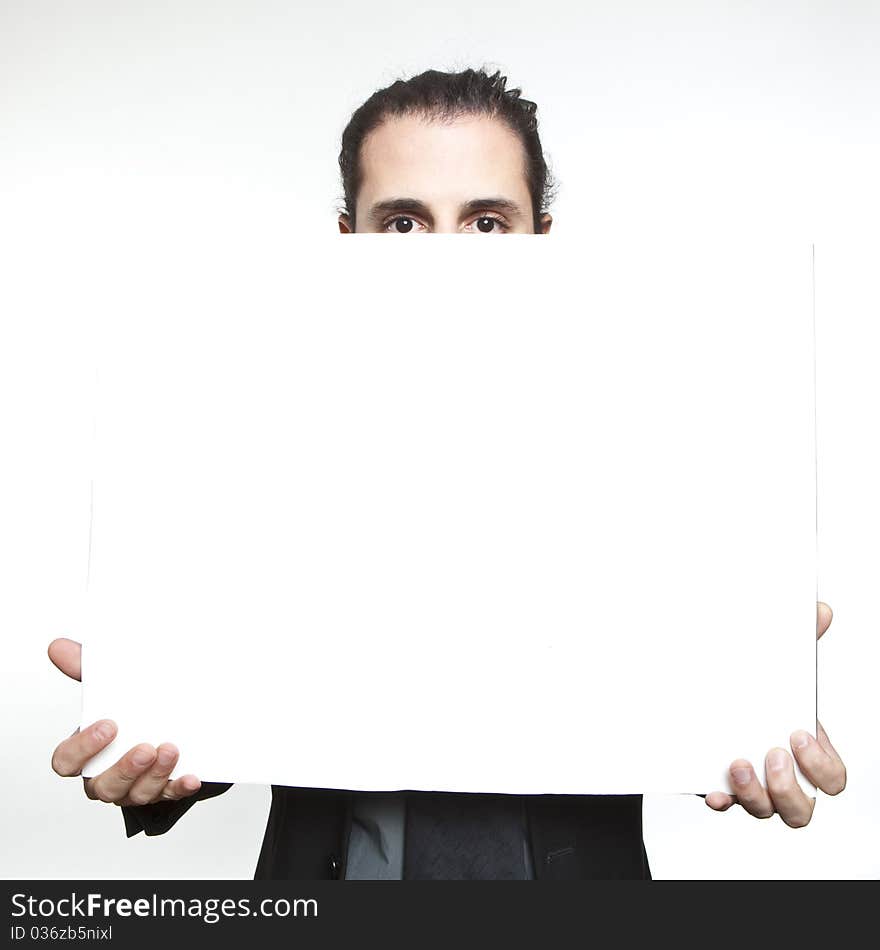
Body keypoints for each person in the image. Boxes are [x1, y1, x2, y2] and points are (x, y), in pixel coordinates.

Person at [47, 68, 847, 880]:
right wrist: (146, 748)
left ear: (542, 236)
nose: (444, 258)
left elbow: (672, 680)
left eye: (487, 223)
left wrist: (757, 700)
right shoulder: (243, 438)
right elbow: (232, 675)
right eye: (402, 223)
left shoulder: (659, 445)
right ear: (345, 238)